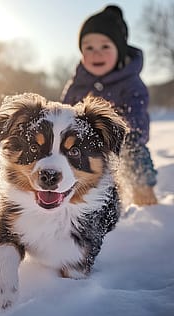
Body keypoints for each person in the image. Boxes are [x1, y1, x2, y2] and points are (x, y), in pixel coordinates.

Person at [61, 5, 157, 206]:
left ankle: (145, 202)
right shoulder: (78, 83)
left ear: (119, 50)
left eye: (105, 47)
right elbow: (64, 112)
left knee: (136, 159)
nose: (97, 54)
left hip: (124, 143)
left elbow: (138, 116)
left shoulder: (131, 84)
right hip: (84, 145)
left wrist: (120, 130)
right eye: (89, 48)